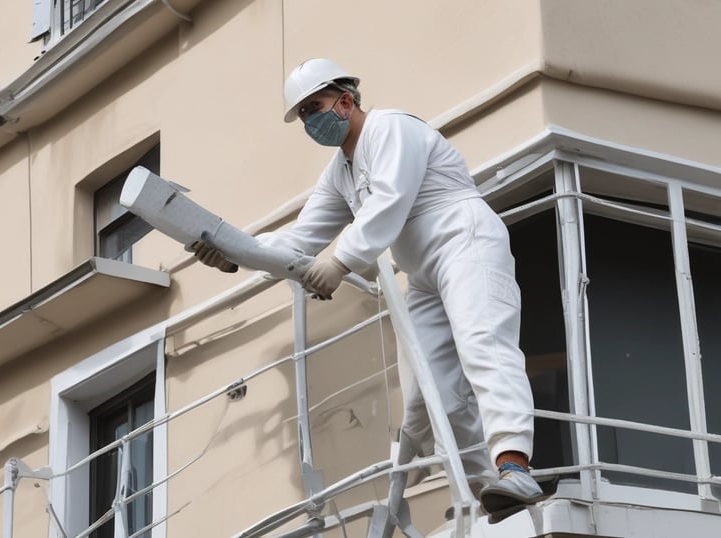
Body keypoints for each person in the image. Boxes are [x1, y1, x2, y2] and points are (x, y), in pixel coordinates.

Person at [192, 58, 544, 520]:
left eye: (314, 107)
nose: (309, 121)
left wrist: (341, 261)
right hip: (421, 275)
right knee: (427, 392)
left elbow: (390, 201)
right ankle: (489, 491)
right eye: (302, 116)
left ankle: (514, 464)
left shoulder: (390, 129)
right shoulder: (341, 172)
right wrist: (235, 254)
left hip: (465, 242)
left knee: (484, 345)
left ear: (344, 100)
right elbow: (299, 238)